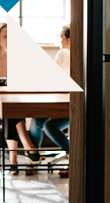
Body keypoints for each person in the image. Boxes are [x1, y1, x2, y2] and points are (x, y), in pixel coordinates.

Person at [0, 22, 42, 175]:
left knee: (9, 110)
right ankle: (26, 146)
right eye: (5, 36)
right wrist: (1, 97)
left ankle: (13, 161)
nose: (9, 39)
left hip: (10, 101)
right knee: (6, 108)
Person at [29, 24, 71, 177]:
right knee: (41, 121)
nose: (59, 41)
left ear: (69, 38)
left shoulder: (70, 55)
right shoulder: (64, 54)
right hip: (62, 99)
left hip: (72, 104)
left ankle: (72, 157)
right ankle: (33, 159)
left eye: (61, 37)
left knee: (47, 124)